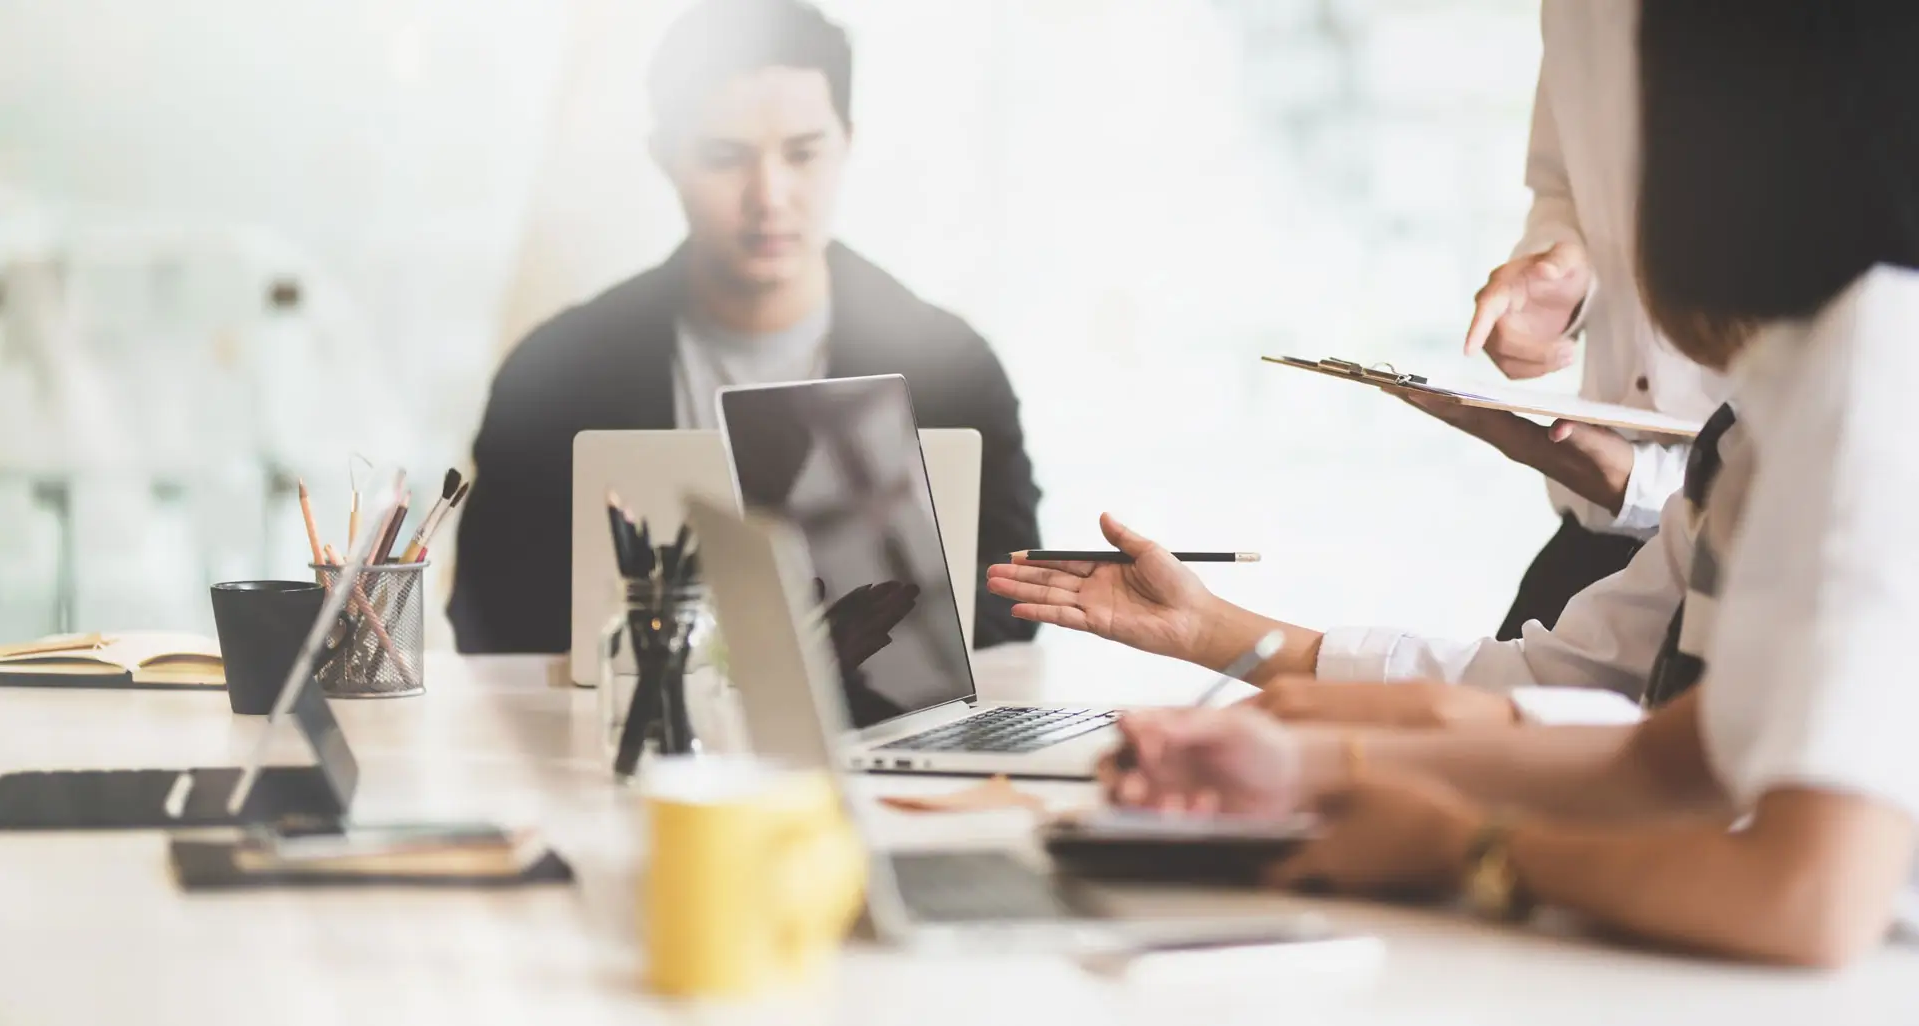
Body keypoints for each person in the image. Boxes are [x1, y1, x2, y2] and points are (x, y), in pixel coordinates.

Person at [1085, 1, 1919, 967]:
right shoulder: (1795, 393)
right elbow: (1668, 760)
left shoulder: (1870, 377)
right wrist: (1301, 764)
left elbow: (1806, 901)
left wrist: (1464, 850)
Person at [449, 0, 1042, 654]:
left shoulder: (954, 369)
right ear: (665, 156)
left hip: (874, 741)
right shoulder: (552, 376)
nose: (770, 196)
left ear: (848, 143)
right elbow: (490, 616)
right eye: (726, 156)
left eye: (803, 154)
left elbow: (1013, 608)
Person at [1416, 1, 1725, 641]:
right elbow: (1563, 187)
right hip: (1599, 535)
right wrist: (1565, 276)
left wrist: (1647, 484)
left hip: (1768, 561)